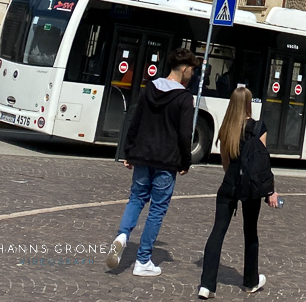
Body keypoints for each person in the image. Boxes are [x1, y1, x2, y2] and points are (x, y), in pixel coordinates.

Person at [106, 47, 199, 277]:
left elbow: (135, 120)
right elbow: (184, 134)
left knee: (136, 198)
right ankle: (143, 260)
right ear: (185, 69)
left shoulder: (150, 88)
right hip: (167, 160)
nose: (192, 76)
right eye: (192, 71)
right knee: (157, 209)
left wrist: (129, 150)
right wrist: (185, 162)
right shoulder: (185, 98)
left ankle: (122, 235)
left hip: (143, 154)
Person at [198, 86, 279, 298]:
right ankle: (250, 281)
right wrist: (271, 190)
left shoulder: (226, 128)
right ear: (249, 103)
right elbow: (261, 164)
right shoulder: (259, 127)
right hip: (250, 188)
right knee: (250, 232)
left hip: (229, 184)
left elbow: (225, 162)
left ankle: (206, 285)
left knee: (218, 232)